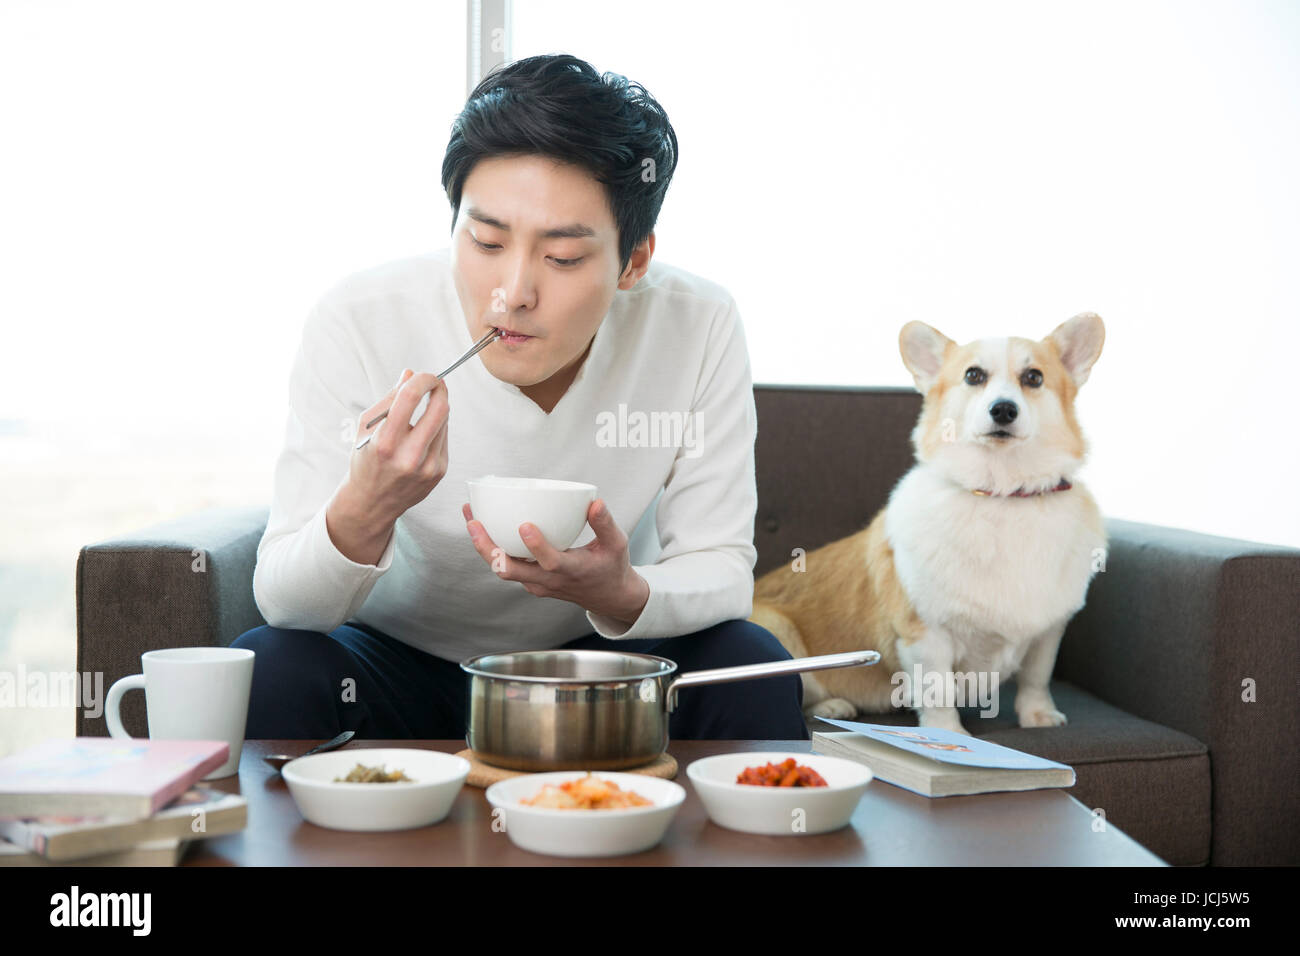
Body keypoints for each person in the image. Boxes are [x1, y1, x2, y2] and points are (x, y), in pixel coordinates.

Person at [232, 53, 807, 742]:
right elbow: (284, 600)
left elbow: (720, 568)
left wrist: (619, 592)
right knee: (271, 665)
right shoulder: (360, 318)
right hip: (393, 668)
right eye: (485, 240)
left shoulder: (697, 322)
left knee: (755, 666)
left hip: (598, 673)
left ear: (634, 260)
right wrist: (367, 504)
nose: (513, 291)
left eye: (562, 258)